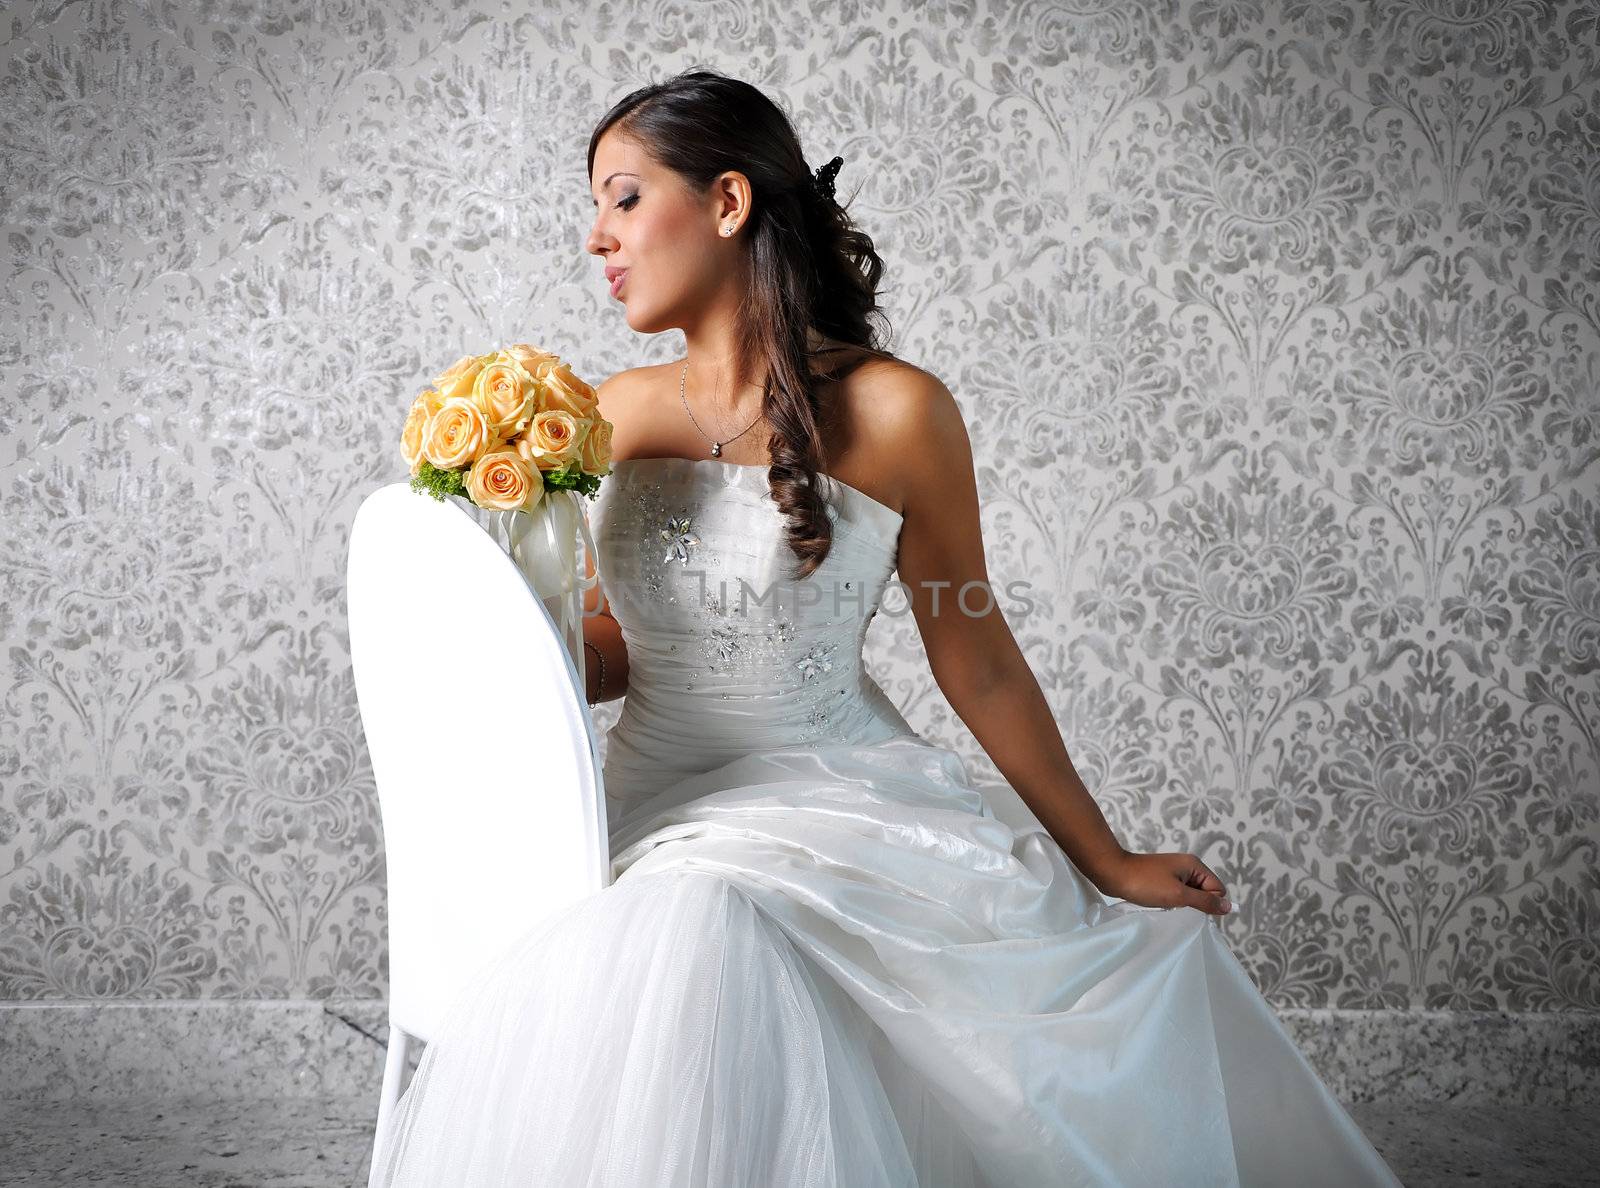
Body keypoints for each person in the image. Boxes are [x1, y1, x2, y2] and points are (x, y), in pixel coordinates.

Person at [367, 69, 1405, 1187]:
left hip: (829, 792)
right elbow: (613, 649)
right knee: (667, 928)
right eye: (595, 207)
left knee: (704, 922)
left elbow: (976, 652)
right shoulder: (609, 412)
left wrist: (1103, 858)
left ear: (726, 204)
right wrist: (500, 643)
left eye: (622, 199)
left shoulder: (900, 411)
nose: (595, 239)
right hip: (644, 806)